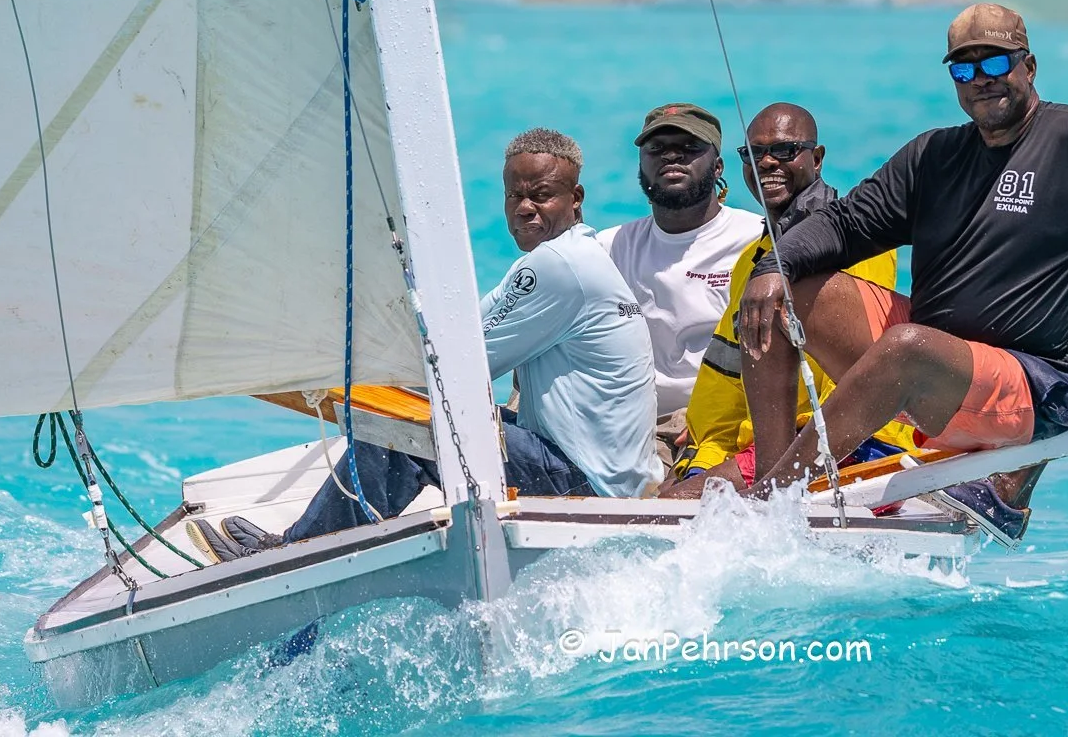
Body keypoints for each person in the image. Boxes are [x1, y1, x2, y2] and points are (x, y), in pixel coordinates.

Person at [736, 3, 1068, 546]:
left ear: (1029, 66)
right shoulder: (935, 155)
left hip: (1043, 384)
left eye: (994, 64)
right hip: (943, 366)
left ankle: (771, 508)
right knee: (780, 295)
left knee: (909, 348)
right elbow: (847, 223)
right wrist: (771, 267)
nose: (979, 82)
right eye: (963, 69)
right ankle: (776, 483)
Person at [187, 129, 660, 562]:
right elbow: (461, 334)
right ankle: (322, 542)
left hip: (585, 485)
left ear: (575, 198)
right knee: (415, 415)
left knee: (404, 430)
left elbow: (450, 365)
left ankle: (301, 554)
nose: (524, 208)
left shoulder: (557, 265)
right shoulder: (575, 255)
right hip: (602, 474)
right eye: (514, 195)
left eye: (541, 195)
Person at [660, 103, 917, 497]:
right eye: (753, 153)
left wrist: (779, 470)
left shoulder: (858, 244)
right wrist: (702, 460)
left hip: (852, 446)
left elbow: (855, 375)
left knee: (675, 502)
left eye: (784, 151)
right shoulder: (752, 262)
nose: (766, 163)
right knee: (669, 494)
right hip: (768, 448)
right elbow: (724, 388)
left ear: (816, 158)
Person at [598, 103, 764, 469]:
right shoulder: (611, 247)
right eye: (656, 149)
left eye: (690, 148)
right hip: (640, 426)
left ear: (718, 166)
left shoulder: (757, 239)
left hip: (726, 422)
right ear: (641, 166)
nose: (672, 155)